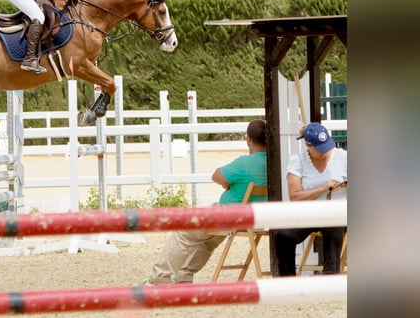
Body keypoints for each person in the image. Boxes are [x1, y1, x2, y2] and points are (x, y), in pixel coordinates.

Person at [139, 119, 268, 285]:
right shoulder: (271, 163)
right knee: (206, 241)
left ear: (248, 139)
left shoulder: (244, 163)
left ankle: (158, 277)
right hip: (255, 222)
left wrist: (227, 184)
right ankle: (183, 276)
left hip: (228, 217)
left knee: (183, 231)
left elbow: (216, 176)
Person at [274, 121, 348, 276]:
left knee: (334, 225)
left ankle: (330, 275)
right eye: (320, 149)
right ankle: (287, 279)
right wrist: (322, 188)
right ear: (308, 145)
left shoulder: (343, 156)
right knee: (283, 235)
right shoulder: (297, 161)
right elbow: (295, 196)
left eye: (326, 146)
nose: (324, 152)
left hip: (336, 212)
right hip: (307, 212)